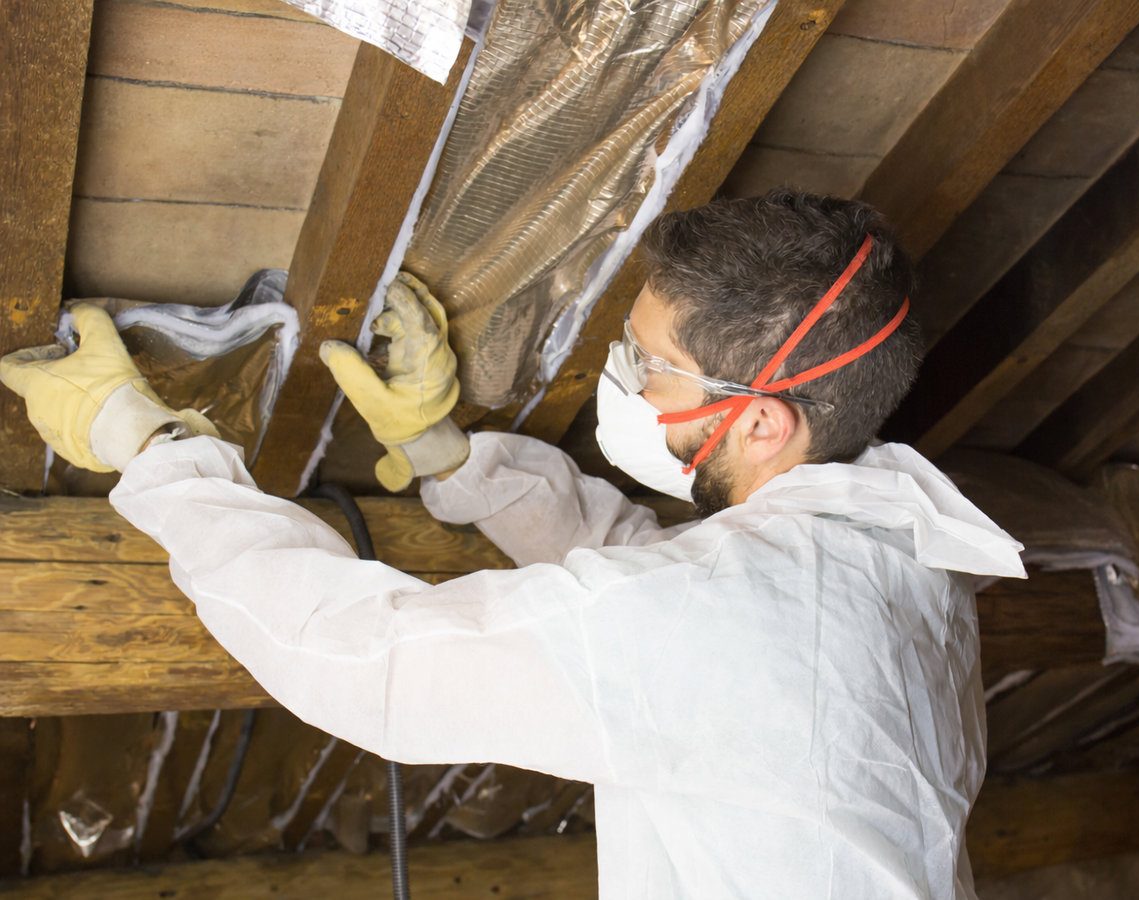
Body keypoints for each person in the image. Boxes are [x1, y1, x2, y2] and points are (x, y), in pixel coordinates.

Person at [2, 189, 1023, 898]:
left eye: (651, 368)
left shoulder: (738, 624)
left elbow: (367, 656)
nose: (623, 380)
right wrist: (455, 458)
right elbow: (651, 573)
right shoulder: (900, 558)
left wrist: (153, 447)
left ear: (760, 423)